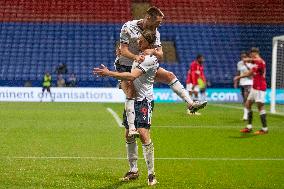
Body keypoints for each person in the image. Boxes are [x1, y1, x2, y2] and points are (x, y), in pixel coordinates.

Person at [116, 6, 207, 135]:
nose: (159, 25)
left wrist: (152, 51)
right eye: (158, 22)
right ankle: (131, 128)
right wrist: (135, 56)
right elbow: (123, 50)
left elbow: (161, 55)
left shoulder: (155, 32)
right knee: (131, 93)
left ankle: (190, 103)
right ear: (148, 17)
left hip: (143, 65)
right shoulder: (128, 27)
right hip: (126, 65)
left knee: (169, 75)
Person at [94, 30, 159, 186]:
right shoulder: (139, 55)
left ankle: (151, 174)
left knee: (143, 134)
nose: (138, 43)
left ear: (148, 43)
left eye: (141, 41)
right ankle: (133, 170)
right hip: (131, 100)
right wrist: (120, 56)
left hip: (144, 100)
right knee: (128, 135)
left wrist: (109, 73)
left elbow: (131, 76)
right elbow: (125, 61)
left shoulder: (149, 59)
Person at [234, 47, 268, 135]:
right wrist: (239, 76)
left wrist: (239, 77)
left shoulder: (260, 61)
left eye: (251, 53)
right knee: (248, 104)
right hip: (255, 87)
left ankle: (264, 129)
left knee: (260, 107)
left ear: (255, 53)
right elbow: (250, 70)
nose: (250, 55)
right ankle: (249, 127)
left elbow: (250, 71)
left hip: (260, 87)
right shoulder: (255, 62)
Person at [234, 52, 253, 120]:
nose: (243, 58)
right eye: (242, 57)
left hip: (249, 83)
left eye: (244, 57)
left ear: (247, 57)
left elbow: (251, 73)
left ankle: (246, 115)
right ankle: (247, 113)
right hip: (242, 83)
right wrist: (236, 82)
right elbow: (238, 73)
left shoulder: (251, 64)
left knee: (246, 99)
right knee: (244, 100)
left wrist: (246, 64)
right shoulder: (239, 63)